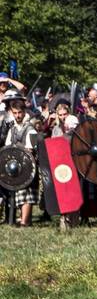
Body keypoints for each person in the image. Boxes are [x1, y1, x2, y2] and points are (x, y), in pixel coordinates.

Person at [2, 92, 37, 226]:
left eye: (20, 113)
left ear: (24, 112)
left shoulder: (31, 130)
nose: (17, 115)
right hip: (15, 166)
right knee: (19, 194)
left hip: (28, 166)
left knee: (26, 194)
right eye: (15, 113)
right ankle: (23, 219)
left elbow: (30, 150)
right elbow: (7, 147)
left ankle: (25, 221)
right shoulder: (12, 129)